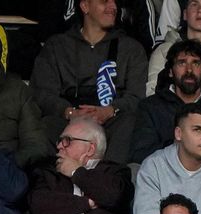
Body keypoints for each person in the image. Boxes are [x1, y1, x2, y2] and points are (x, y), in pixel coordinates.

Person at [28, 0, 146, 163]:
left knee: (129, 123)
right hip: (68, 117)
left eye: (114, 2)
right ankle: (54, 183)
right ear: (85, 6)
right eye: (104, 1)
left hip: (111, 119)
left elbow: (136, 97)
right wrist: (69, 112)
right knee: (43, 126)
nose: (113, 7)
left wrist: (110, 111)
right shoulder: (57, 46)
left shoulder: (131, 48)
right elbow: (42, 93)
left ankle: (107, 181)